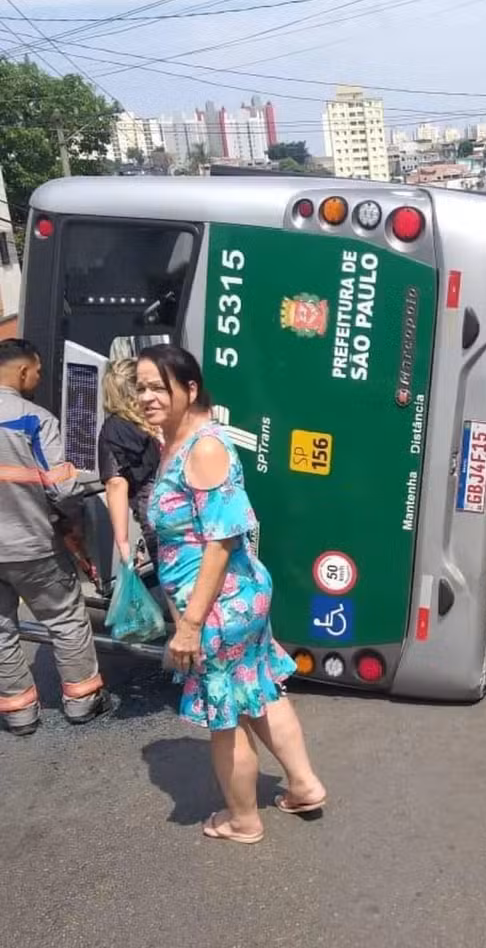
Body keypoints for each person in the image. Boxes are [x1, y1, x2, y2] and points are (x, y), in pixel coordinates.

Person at [137, 344, 324, 844]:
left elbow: (221, 540)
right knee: (259, 690)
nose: (147, 397)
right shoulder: (179, 441)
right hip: (234, 599)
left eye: (158, 387)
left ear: (190, 388)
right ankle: (304, 785)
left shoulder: (204, 448)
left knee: (227, 717)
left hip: (219, 606)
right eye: (141, 387)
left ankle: (243, 819)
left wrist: (190, 625)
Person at [0, 338, 111, 735]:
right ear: (22, 371)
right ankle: (82, 700)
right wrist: (73, 522)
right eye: (38, 371)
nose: (39, 378)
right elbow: (62, 489)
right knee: (65, 618)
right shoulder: (35, 419)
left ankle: (18, 713)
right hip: (32, 545)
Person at [98, 358, 161, 568]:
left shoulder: (112, 430)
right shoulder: (160, 414)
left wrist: (123, 544)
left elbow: (116, 484)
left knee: (176, 579)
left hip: (155, 512)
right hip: (188, 505)